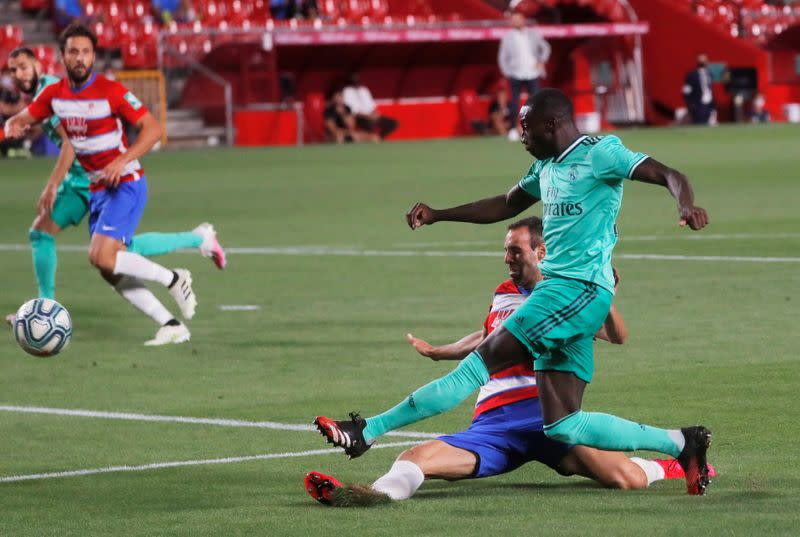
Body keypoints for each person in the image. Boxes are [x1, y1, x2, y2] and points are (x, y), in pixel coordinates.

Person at [315, 88, 713, 496]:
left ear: (552, 124)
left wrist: (684, 205)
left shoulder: (601, 153)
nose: (520, 134)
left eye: (525, 127)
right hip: (568, 296)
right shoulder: (546, 167)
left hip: (575, 291)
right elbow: (505, 204)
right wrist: (439, 215)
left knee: (478, 364)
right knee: (562, 424)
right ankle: (682, 443)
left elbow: (671, 175)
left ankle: (368, 429)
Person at [306, 217, 716, 506]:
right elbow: (490, 339)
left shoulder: (568, 298)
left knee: (624, 478)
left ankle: (676, 463)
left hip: (546, 415)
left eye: (514, 251)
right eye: (505, 251)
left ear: (540, 251)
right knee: (416, 458)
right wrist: (441, 350)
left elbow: (617, 335)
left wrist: (604, 292)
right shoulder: (503, 292)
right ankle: (367, 496)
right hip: (493, 424)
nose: (508, 259)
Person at [4, 24, 224, 346]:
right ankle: (171, 324)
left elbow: (152, 129)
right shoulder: (54, 95)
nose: (80, 58)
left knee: (103, 256)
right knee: (111, 266)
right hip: (96, 189)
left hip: (127, 183)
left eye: (85, 52)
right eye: (73, 52)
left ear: (93, 55)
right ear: (62, 56)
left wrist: (122, 160)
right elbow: (23, 118)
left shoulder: (111, 91)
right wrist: (13, 124)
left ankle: (174, 278)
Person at [498, 12, 550, 140]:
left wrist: (541, 61)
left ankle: (537, 129)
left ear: (523, 20)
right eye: (513, 20)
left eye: (518, 19)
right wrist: (507, 72)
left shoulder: (533, 34)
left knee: (535, 102)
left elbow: (546, 47)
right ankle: (512, 129)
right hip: (515, 74)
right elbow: (502, 57)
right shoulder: (508, 37)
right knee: (514, 103)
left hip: (532, 73)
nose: (515, 22)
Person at [343, 73, 398, 140]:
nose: (356, 81)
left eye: (357, 79)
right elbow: (352, 110)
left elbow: (371, 104)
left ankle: (380, 138)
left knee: (393, 123)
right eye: (354, 79)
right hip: (360, 117)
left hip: (371, 115)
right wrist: (367, 116)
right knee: (369, 124)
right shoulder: (347, 91)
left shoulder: (364, 89)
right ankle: (371, 139)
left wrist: (374, 113)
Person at [682, 54, 716, 126]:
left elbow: (710, 88)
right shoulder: (692, 75)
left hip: (709, 103)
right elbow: (686, 91)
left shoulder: (709, 74)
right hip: (698, 104)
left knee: (709, 123)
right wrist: (691, 104)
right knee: (699, 123)